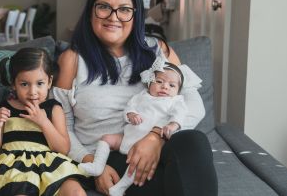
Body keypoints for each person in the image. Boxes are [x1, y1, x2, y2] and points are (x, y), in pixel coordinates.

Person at [53, 0, 217, 195]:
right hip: (108, 158)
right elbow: (62, 128)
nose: (113, 17)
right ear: (91, 12)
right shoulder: (72, 60)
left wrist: (156, 137)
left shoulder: (158, 51)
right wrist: (94, 165)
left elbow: (193, 105)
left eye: (124, 9)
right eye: (104, 7)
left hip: (159, 147)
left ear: (136, 15)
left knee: (194, 142)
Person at [78, 58, 202, 196]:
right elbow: (130, 107)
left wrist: (172, 125)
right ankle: (97, 165)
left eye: (172, 85)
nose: (165, 87)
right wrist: (131, 115)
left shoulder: (175, 101)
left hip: (151, 146)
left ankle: (121, 187)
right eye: (159, 82)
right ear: (149, 83)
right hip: (128, 137)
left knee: (141, 162)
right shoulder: (142, 95)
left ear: (178, 91)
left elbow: (180, 114)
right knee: (107, 138)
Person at [0, 47, 88, 196]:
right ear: (14, 84)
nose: (33, 91)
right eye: (24, 84)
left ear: (49, 81)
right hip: (16, 168)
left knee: (76, 192)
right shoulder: (5, 108)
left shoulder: (53, 109)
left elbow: (63, 149)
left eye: (39, 83)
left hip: (50, 166)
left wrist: (44, 122)